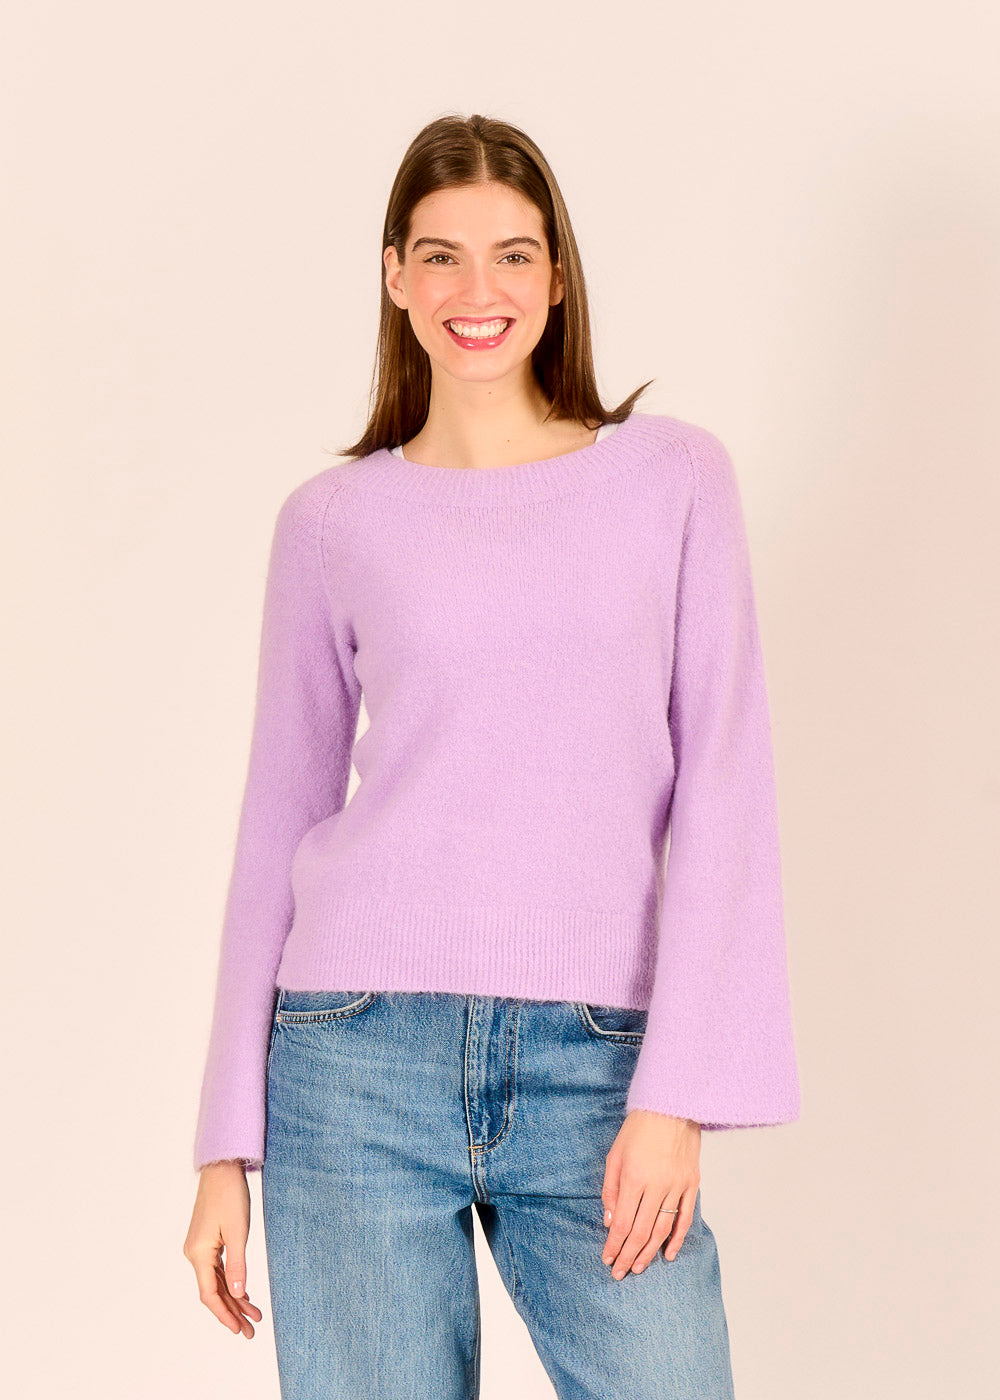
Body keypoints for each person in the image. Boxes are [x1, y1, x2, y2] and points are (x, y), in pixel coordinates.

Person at [183, 112, 801, 1398]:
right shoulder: (331, 520)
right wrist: (222, 1147)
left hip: (601, 1060)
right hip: (351, 1056)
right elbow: (276, 820)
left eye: (513, 254)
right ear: (395, 275)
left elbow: (724, 789)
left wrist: (676, 1092)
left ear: (557, 276)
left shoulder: (674, 479)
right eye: (442, 255)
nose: (479, 290)